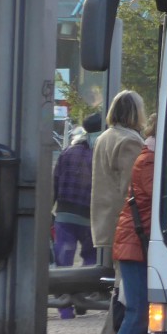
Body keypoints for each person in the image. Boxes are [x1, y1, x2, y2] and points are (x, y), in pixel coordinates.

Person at [101, 115, 162, 334]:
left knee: (141, 308)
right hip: (134, 245)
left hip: (136, 243)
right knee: (138, 309)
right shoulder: (149, 159)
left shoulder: (150, 156)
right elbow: (159, 195)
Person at [90, 90, 147, 334]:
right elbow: (132, 186)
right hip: (126, 223)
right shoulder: (130, 142)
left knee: (120, 282)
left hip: (107, 218)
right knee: (125, 285)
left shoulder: (104, 137)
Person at [52, 112, 102, 269]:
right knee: (91, 259)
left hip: (64, 215)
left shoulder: (67, 151)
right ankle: (88, 289)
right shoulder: (99, 154)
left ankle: (64, 292)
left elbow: (55, 182)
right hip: (89, 217)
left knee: (63, 259)